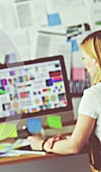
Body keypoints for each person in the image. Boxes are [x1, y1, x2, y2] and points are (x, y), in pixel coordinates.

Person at [28, 31, 101, 170]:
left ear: (95, 61)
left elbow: (74, 147)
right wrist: (71, 138)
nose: (84, 64)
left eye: (85, 58)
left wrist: (42, 144)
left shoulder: (93, 95)